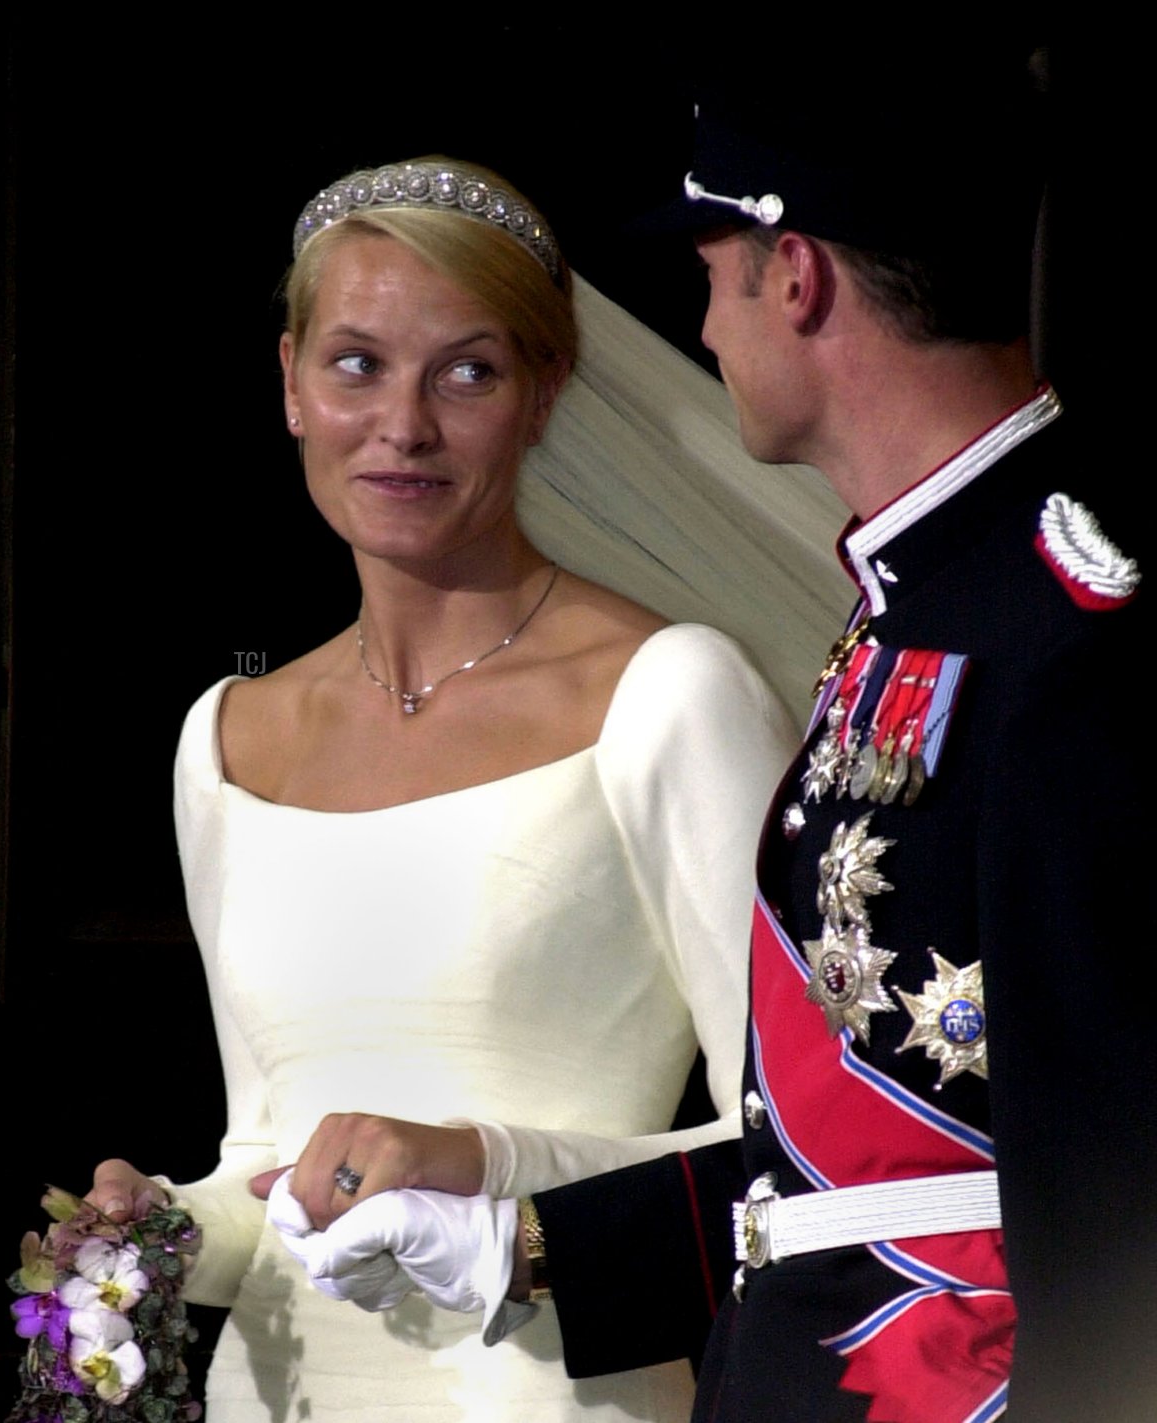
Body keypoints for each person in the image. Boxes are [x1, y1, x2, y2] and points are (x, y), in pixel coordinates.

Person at [278, 60, 1156, 1423]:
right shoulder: (924, 608)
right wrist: (520, 1241)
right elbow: (832, 1162)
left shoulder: (1066, 640)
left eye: (710, 271)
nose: (701, 320)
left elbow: (1118, 1204)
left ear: (793, 277)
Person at [84, 157, 805, 1422]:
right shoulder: (226, 737)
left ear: (544, 396)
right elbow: (268, 1165)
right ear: (292, 383)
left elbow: (803, 1155)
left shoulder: (670, 695)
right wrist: (158, 1229)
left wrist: (484, 1166)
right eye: (356, 364)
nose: (404, 426)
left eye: (466, 370)